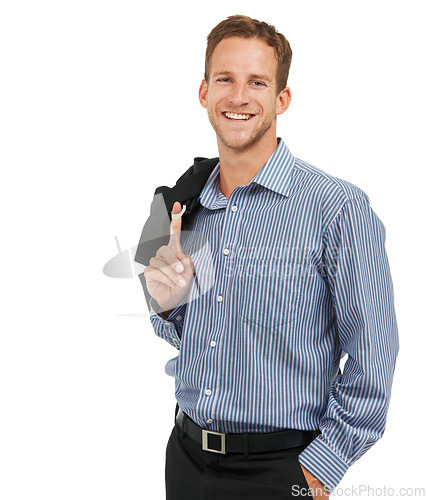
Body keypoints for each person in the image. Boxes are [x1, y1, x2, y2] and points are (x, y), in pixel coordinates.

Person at [136, 14, 399, 500]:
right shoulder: (180, 202)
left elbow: (373, 356)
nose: (238, 97)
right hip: (186, 458)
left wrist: (320, 470)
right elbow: (176, 332)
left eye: (257, 82)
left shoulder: (338, 208)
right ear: (203, 92)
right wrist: (170, 305)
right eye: (225, 80)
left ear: (282, 99)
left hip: (282, 473)